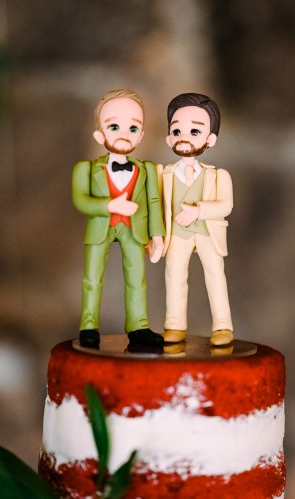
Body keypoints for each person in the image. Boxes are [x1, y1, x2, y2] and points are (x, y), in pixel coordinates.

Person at [73, 89, 165, 348]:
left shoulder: (145, 169)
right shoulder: (86, 169)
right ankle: (89, 325)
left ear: (142, 134)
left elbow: (154, 202)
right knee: (92, 277)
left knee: (137, 279)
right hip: (101, 228)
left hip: (134, 229)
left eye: (133, 128)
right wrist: (110, 205)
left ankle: (138, 327)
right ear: (99, 134)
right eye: (114, 126)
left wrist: (157, 234)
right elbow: (81, 200)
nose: (124, 134)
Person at [161, 92, 233, 346]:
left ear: (210, 139)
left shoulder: (218, 176)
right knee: (174, 276)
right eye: (177, 130)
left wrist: (199, 210)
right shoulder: (164, 175)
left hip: (207, 233)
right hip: (177, 235)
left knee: (215, 276)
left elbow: (226, 205)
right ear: (169, 137)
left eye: (194, 131)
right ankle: (174, 325)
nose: (183, 137)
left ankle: (223, 326)